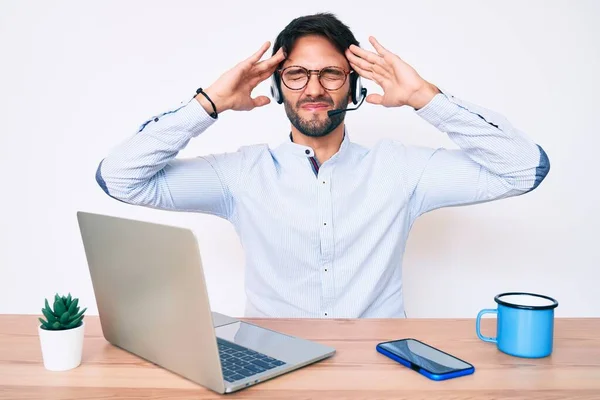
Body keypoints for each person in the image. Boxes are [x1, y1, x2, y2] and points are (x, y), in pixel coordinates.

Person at [96, 13, 549, 319]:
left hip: (378, 366)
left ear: (353, 86)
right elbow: (119, 178)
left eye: (331, 73)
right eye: (296, 74)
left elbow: (524, 168)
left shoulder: (403, 170)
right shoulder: (240, 175)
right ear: (276, 87)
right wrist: (208, 103)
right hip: (271, 365)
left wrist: (425, 98)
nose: (314, 89)